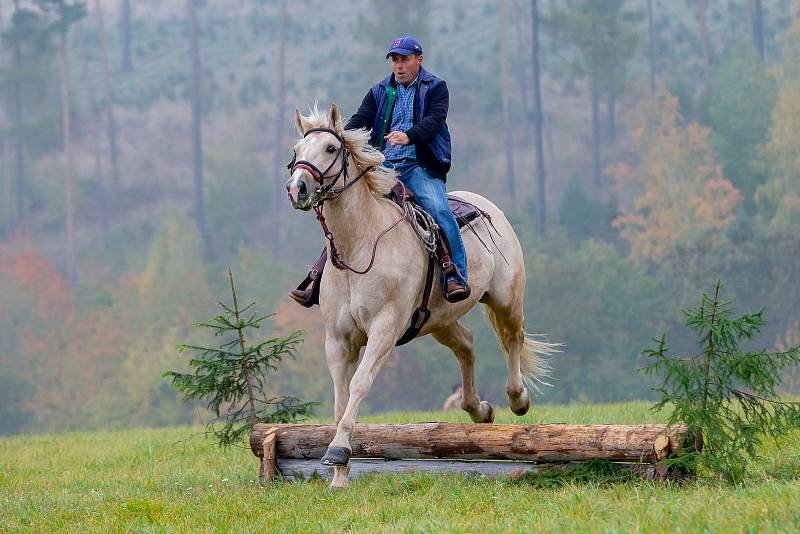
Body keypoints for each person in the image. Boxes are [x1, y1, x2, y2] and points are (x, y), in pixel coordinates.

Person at [290, 35, 470, 305]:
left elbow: (434, 121)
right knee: (348, 216)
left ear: (418, 60)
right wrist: (331, 137)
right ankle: (316, 277)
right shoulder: (380, 91)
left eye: (405, 59)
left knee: (438, 209)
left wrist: (408, 136)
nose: (399, 65)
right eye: (395, 60)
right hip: (382, 168)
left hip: (419, 167)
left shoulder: (435, 88)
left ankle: (454, 272)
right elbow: (360, 122)